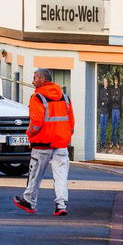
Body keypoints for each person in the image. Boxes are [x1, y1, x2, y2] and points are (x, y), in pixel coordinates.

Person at [14, 69, 75, 217]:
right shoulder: (64, 97)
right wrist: (66, 135)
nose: (33, 81)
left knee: (35, 174)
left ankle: (29, 201)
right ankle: (61, 205)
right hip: (61, 143)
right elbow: (71, 122)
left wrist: (29, 135)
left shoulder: (37, 97)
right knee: (61, 176)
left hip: (42, 143)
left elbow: (36, 123)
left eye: (34, 78)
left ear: (42, 79)